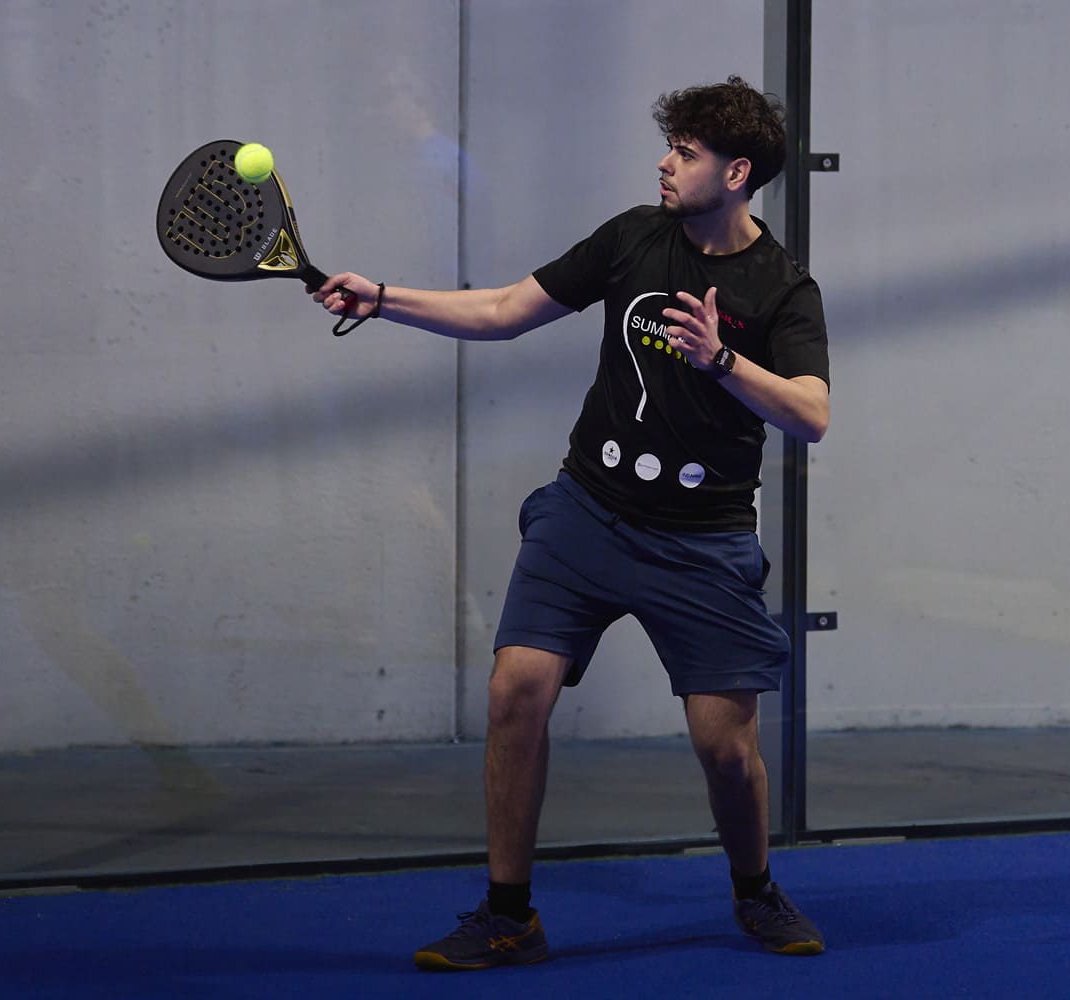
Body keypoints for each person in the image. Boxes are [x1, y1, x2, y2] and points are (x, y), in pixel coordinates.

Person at [311, 75, 831, 971]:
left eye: (686, 153)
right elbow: (505, 310)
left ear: (737, 173)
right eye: (670, 147)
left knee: (725, 748)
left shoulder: (784, 287)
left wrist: (722, 361)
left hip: (703, 540)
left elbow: (811, 415)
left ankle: (755, 889)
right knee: (515, 691)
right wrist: (382, 297)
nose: (664, 163)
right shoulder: (633, 237)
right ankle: (509, 915)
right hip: (586, 512)